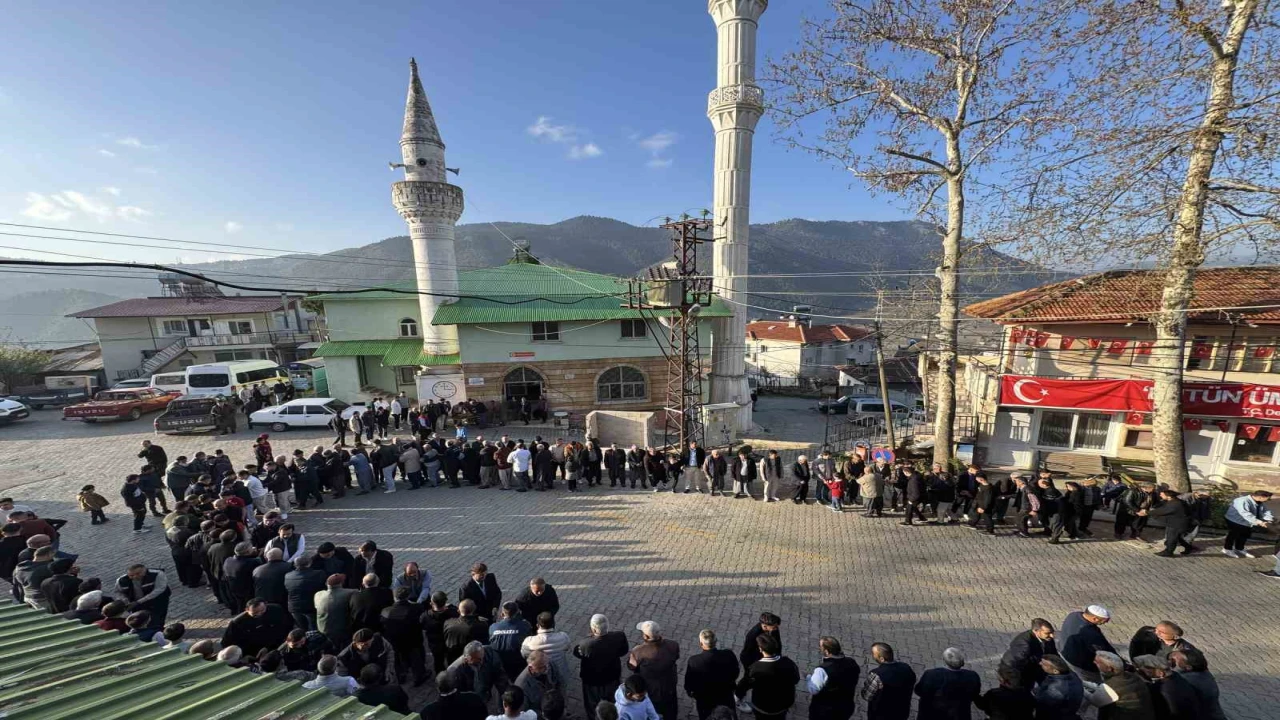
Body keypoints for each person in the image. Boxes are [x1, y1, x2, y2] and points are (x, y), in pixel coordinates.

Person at [734, 633, 799, 719]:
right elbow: (796, 680)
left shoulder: (755, 668)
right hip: (783, 705)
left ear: (760, 649)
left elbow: (745, 684)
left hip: (762, 707)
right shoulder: (788, 663)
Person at [629, 620, 680, 720]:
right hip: (669, 685)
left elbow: (631, 666)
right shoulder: (673, 645)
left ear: (646, 636)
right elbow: (676, 657)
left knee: (651, 712)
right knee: (670, 711)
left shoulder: (638, 651)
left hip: (650, 689)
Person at [684, 629, 738, 720]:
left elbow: (689, 681)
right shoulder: (728, 654)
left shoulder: (694, 661)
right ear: (715, 641)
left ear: (701, 644)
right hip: (725, 695)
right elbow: (735, 672)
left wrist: (691, 692)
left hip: (705, 700)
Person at [913, 648, 981, 720]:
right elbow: (975, 694)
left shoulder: (932, 675)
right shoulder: (972, 676)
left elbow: (919, 691)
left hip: (931, 715)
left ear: (945, 661)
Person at [1085, 651, 1153, 720]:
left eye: (1097, 662)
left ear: (1109, 668)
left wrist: (1080, 686)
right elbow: (1101, 688)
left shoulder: (1111, 685)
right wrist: (1084, 683)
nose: (1094, 662)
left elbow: (1095, 700)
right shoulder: (1130, 675)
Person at [381, 586, 427, 685]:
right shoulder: (416, 608)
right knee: (415, 657)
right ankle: (418, 677)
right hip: (412, 639)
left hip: (394, 640)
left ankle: (401, 675)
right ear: (408, 596)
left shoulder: (386, 611)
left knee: (397, 658)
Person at [806, 636, 860, 720]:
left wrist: (809, 677)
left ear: (826, 651)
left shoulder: (822, 670)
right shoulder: (851, 662)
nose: (819, 648)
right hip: (845, 707)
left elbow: (814, 689)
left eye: (820, 646)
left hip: (825, 711)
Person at [1132, 655, 1199, 720]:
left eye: (1143, 670)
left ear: (1160, 673)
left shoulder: (1159, 690)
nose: (1139, 672)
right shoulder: (1176, 676)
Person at [1059, 605, 1115, 682]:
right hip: (1081, 664)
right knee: (1091, 681)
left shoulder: (1073, 615)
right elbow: (1104, 650)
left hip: (1064, 651)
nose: (1106, 622)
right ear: (1095, 618)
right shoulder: (1090, 632)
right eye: (1104, 620)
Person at [997, 618, 1057, 689]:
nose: (1052, 635)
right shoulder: (1025, 645)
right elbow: (1017, 664)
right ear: (1036, 631)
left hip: (1033, 666)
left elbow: (1053, 654)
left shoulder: (1047, 638)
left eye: (1052, 632)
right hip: (1012, 670)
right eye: (1047, 633)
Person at [222, 598, 293, 657]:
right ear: (246, 610)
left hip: (276, 646)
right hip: (251, 654)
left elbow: (285, 627)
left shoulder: (275, 609)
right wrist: (243, 655)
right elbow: (226, 643)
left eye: (262, 611)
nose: (259, 614)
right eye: (255, 614)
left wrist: (268, 647)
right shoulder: (237, 622)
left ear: (266, 605)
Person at [1169, 648, 1226, 720]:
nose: (1169, 661)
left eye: (1174, 661)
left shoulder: (1185, 680)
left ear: (1188, 667)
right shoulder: (1203, 673)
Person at [449, 639, 511, 705]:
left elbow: (501, 679)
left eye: (482, 658)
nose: (481, 662)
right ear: (467, 659)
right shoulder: (455, 670)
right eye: (477, 661)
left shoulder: (490, 654)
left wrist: (507, 699)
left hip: (484, 695)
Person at [522, 611, 572, 684]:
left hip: (539, 675)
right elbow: (567, 648)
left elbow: (524, 654)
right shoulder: (563, 637)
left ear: (537, 625)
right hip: (560, 673)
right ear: (553, 624)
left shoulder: (529, 641)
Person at [115, 564, 171, 628]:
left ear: (145, 571)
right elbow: (118, 592)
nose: (135, 577)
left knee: (158, 617)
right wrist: (124, 599)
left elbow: (159, 590)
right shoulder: (121, 580)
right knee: (140, 619)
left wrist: (139, 601)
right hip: (135, 604)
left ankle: (159, 629)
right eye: (131, 575)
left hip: (157, 600)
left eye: (138, 573)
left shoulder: (157, 574)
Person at [1222, 489, 1273, 557]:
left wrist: (1269, 520)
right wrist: (1259, 522)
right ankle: (1227, 549)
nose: (1269, 500)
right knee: (1233, 535)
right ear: (1260, 497)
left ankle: (1239, 548)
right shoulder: (1242, 501)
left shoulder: (1259, 502)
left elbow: (1266, 511)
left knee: (1244, 535)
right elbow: (1245, 513)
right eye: (1268, 499)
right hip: (1234, 520)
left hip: (1247, 522)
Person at [493, 601, 536, 680]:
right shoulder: (525, 625)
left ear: (502, 614)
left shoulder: (493, 627)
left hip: (500, 663)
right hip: (518, 662)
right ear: (518, 612)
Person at [284, 554, 328, 631]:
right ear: (310, 563)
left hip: (294, 607)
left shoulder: (288, 575)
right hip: (311, 606)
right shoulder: (319, 574)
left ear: (295, 565)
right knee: (314, 628)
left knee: (301, 628)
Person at [515, 650, 565, 718]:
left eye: (547, 664)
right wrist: (544, 713)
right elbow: (523, 711)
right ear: (531, 668)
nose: (547, 668)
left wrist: (562, 703)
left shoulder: (549, 663)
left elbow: (560, 682)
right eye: (542, 667)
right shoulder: (521, 686)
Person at [1033, 655, 1084, 720]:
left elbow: (1043, 705)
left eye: (1044, 664)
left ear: (1055, 671)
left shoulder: (1053, 690)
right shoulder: (1072, 674)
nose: (1040, 663)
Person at [314, 573, 357, 649]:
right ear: (341, 583)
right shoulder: (351, 592)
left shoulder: (318, 594)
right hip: (342, 629)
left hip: (323, 629)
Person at [444, 599, 491, 664]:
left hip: (453, 659)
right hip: (471, 660)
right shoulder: (481, 625)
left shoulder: (448, 623)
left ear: (458, 611)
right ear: (474, 610)